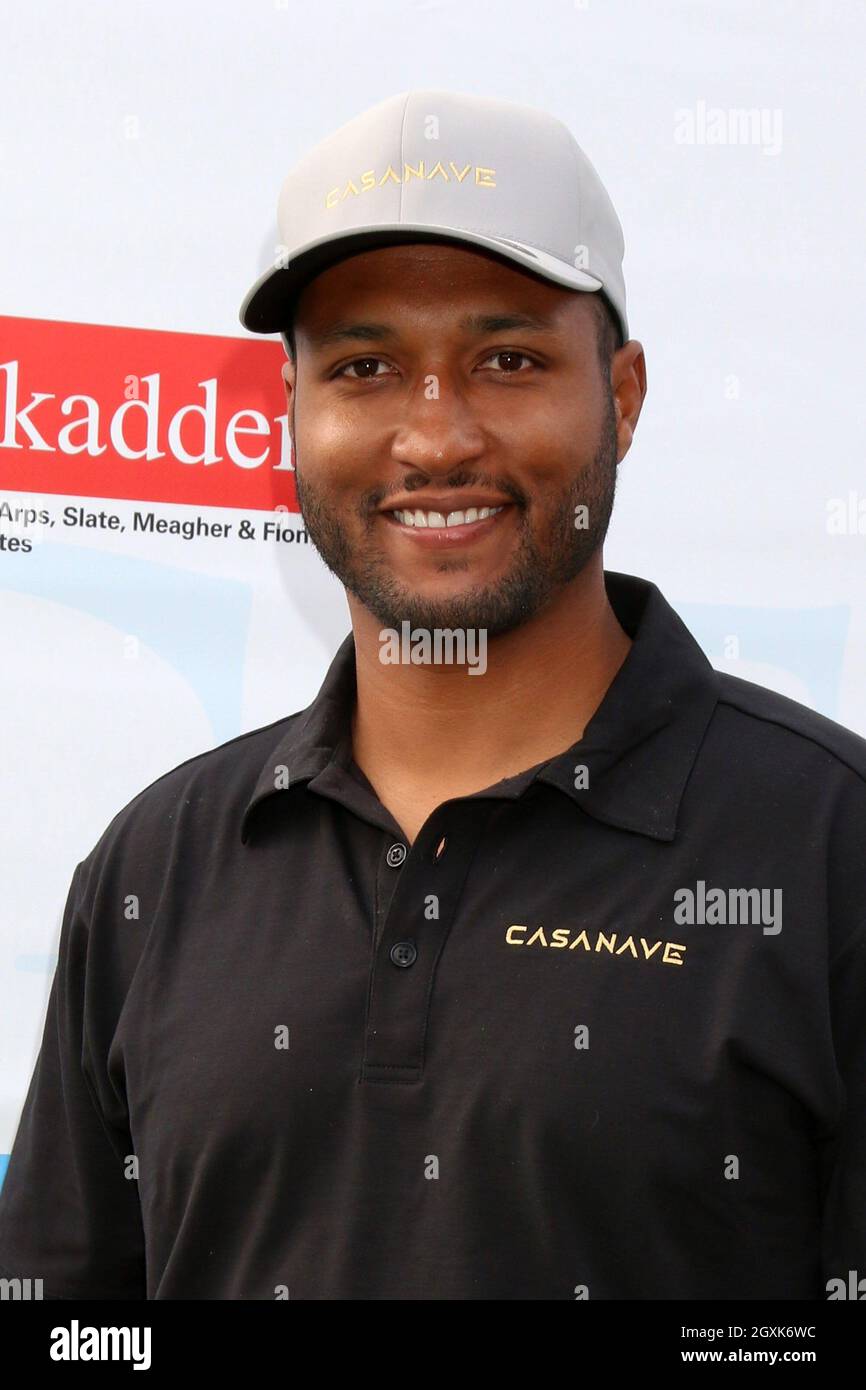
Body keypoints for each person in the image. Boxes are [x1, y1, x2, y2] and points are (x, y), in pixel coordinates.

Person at [0, 88, 863, 1301]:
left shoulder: (830, 849)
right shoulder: (157, 863)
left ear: (620, 396)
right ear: (289, 416)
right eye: (365, 367)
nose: (434, 436)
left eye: (505, 360)